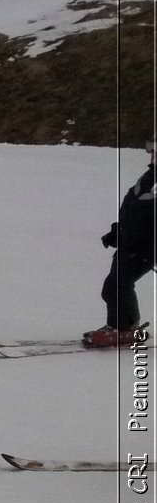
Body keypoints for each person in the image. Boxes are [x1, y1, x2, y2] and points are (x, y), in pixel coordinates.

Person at [84, 137, 155, 347]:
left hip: (145, 249)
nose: (153, 156)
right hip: (129, 245)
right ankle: (127, 325)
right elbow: (133, 211)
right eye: (153, 152)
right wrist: (117, 232)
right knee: (113, 287)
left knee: (117, 285)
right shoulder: (148, 179)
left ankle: (121, 328)